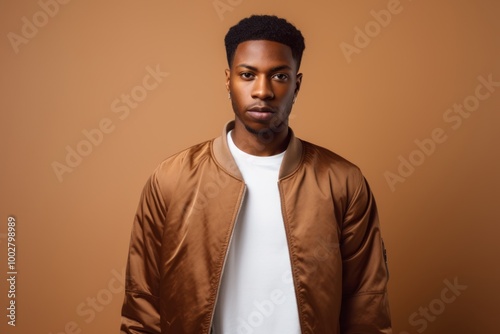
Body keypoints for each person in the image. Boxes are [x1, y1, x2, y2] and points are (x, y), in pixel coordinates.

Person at [120, 15, 392, 334]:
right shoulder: (172, 179)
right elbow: (142, 303)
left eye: (278, 76)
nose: (262, 91)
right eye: (247, 75)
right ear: (228, 79)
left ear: (296, 84)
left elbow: (366, 306)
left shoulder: (342, 182)